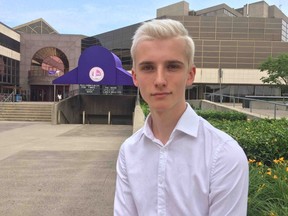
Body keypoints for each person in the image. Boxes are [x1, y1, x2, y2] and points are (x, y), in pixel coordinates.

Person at [114, 19, 249, 216]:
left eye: (172, 66)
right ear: (135, 77)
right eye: (148, 68)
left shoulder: (224, 155)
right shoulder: (129, 151)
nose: (160, 80)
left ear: (190, 75)